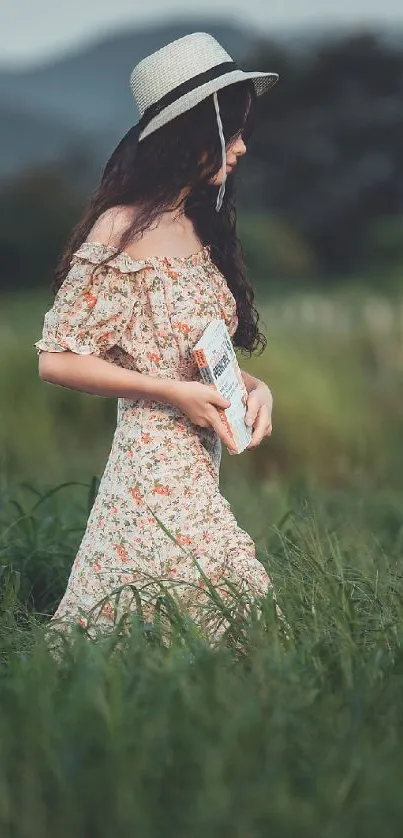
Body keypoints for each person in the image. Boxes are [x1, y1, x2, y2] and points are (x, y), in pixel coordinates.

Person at [34, 32, 280, 643]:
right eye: (232, 132)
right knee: (224, 606)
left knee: (169, 618)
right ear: (187, 136)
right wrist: (171, 393)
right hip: (150, 458)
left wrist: (256, 387)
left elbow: (199, 352)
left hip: (199, 458)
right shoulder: (120, 229)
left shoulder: (197, 224)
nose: (243, 147)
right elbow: (57, 360)